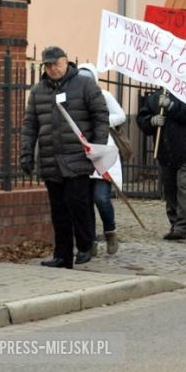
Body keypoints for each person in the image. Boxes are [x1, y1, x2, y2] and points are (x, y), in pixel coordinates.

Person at [21, 46, 109, 268]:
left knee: (77, 202)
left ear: (66, 61)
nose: (53, 68)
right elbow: (30, 125)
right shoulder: (38, 91)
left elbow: (100, 116)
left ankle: (85, 245)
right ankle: (62, 255)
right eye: (48, 65)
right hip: (51, 157)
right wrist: (26, 153)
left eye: (56, 64)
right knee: (58, 209)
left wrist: (97, 146)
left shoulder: (85, 85)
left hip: (78, 155)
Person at [137, 88, 186, 240]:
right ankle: (174, 223)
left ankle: (182, 227)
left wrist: (172, 106)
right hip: (165, 151)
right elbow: (142, 118)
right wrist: (151, 121)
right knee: (170, 189)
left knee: (183, 186)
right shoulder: (155, 97)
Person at [78, 63, 124, 256]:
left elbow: (120, 115)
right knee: (85, 200)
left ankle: (110, 231)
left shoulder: (104, 96)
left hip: (103, 152)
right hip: (81, 153)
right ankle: (90, 241)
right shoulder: (74, 98)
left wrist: (102, 122)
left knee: (101, 197)